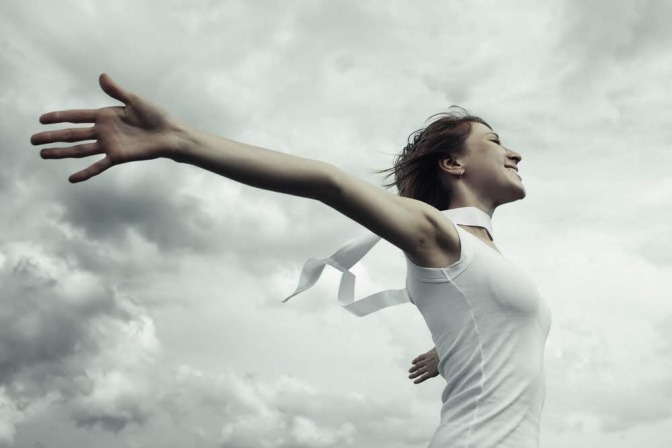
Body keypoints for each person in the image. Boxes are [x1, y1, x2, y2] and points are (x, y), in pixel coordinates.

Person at [31, 73, 552, 447]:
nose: (515, 153)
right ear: (454, 162)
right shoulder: (436, 233)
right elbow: (327, 181)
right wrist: (182, 141)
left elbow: (479, 312)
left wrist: (451, 352)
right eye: (496, 142)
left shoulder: (478, 260)